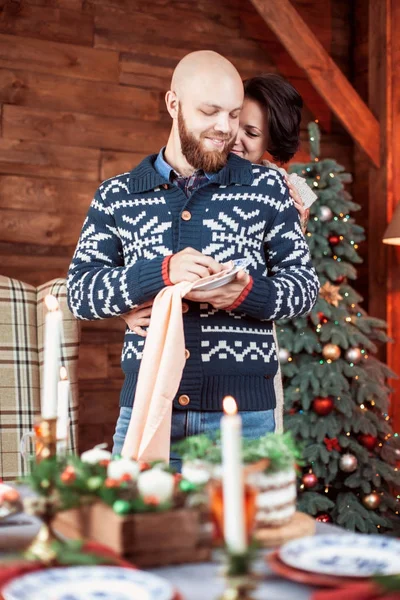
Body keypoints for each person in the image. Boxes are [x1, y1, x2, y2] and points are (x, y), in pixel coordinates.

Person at [67, 51, 320, 464]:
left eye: (235, 115)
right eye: (210, 111)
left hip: (243, 424)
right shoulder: (117, 195)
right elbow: (80, 293)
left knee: (242, 532)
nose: (225, 128)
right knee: (139, 530)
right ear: (173, 104)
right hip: (146, 411)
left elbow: (304, 289)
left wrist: (245, 294)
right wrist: (160, 273)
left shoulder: (269, 187)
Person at [123, 72, 318, 434]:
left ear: (271, 144)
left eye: (252, 134)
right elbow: (151, 257)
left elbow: (296, 276)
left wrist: (245, 293)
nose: (234, 138)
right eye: (233, 122)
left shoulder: (284, 189)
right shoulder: (186, 172)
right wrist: (129, 306)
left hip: (249, 347)